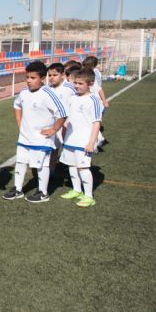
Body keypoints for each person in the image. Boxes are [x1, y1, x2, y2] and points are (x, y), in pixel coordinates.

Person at [2, 61, 67, 204]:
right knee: (21, 162)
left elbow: (62, 113)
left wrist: (54, 129)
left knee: (42, 165)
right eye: (27, 77)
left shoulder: (48, 93)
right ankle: (17, 189)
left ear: (42, 78)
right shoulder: (24, 93)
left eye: (33, 78)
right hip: (24, 137)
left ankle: (43, 192)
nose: (29, 81)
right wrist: (20, 123)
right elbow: (17, 105)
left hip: (41, 138)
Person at [59, 68, 103, 207]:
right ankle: (77, 190)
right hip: (70, 139)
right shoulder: (72, 98)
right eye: (75, 83)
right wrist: (63, 134)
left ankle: (89, 196)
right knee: (72, 166)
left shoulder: (93, 100)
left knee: (83, 168)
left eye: (80, 83)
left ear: (90, 83)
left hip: (84, 141)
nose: (76, 86)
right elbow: (68, 118)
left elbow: (96, 123)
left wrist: (91, 142)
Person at [47, 62, 76, 176]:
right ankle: (51, 170)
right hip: (52, 122)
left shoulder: (70, 88)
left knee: (68, 147)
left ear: (62, 74)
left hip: (67, 122)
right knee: (53, 147)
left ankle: (73, 170)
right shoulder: (47, 89)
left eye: (55, 75)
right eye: (49, 75)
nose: (51, 78)